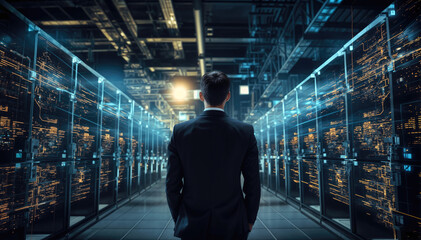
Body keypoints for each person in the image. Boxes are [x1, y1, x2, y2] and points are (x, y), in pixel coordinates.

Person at [166, 71, 261, 240]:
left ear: (201, 96)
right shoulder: (245, 132)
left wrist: (179, 217)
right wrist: (250, 218)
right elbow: (253, 182)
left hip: (191, 221)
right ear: (228, 96)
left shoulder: (180, 132)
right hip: (233, 221)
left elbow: (172, 184)